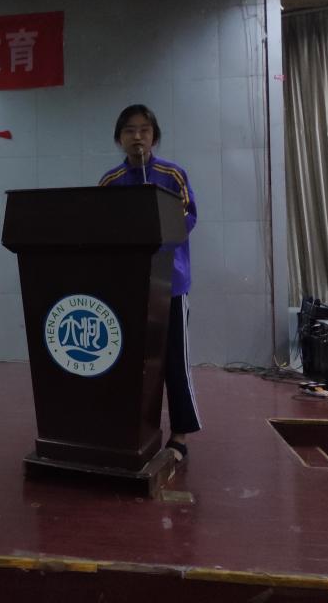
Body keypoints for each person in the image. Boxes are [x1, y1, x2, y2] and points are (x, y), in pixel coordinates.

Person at [98, 104, 199, 462]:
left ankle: (180, 434)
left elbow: (188, 218)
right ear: (119, 139)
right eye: (129, 130)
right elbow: (99, 224)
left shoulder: (173, 174)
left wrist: (154, 239)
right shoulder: (110, 181)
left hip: (170, 284)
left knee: (174, 361)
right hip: (128, 287)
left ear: (154, 136)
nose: (137, 137)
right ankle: (131, 429)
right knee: (128, 362)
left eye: (144, 130)